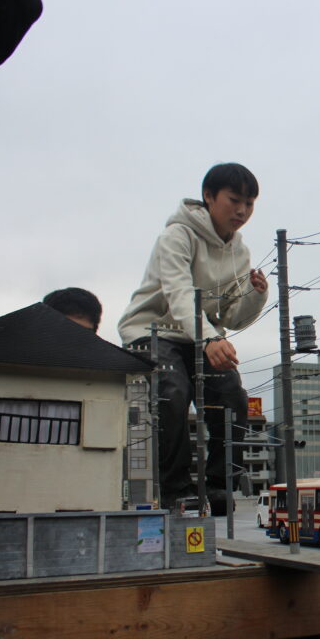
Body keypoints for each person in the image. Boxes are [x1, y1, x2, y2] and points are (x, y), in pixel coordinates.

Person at [118, 163, 268, 512]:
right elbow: (179, 294)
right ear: (208, 196)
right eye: (234, 200)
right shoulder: (177, 236)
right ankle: (175, 487)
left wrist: (256, 296)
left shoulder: (240, 251)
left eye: (250, 203)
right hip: (151, 331)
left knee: (232, 395)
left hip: (200, 337)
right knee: (173, 390)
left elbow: (232, 316)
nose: (242, 211)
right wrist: (208, 339)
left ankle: (218, 485)